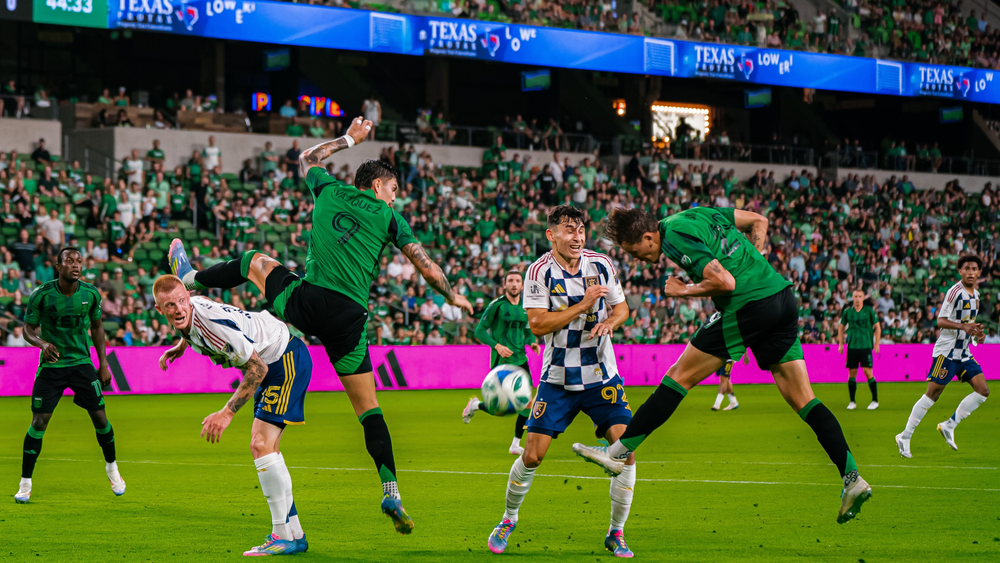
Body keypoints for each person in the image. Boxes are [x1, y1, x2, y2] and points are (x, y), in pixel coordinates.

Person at [167, 116, 472, 535]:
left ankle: (191, 280)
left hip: (306, 304)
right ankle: (391, 490)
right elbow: (427, 267)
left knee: (253, 262)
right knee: (369, 410)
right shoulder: (390, 219)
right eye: (394, 189)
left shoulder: (328, 188)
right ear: (378, 185)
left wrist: (350, 138)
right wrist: (452, 296)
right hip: (348, 320)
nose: (396, 196)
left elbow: (307, 156)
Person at [575, 206, 872, 525]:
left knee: (678, 377)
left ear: (649, 237)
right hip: (781, 297)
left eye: (635, 251)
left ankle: (617, 453)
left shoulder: (673, 236)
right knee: (804, 399)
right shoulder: (698, 214)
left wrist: (683, 290)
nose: (638, 259)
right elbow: (759, 221)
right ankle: (852, 478)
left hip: (747, 306)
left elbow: (725, 282)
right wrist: (750, 262)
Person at [486, 205, 635, 558]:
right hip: (557, 378)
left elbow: (622, 308)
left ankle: (616, 532)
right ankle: (508, 519)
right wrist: (583, 305)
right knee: (532, 456)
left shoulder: (601, 264)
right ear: (551, 235)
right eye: (569, 230)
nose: (577, 237)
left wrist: (611, 322)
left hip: (601, 376)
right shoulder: (538, 272)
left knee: (626, 452)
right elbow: (538, 324)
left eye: (581, 230)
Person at [154, 276, 312, 556]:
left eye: (181, 301)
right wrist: (181, 346)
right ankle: (294, 535)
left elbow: (258, 369)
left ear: (188, 299)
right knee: (268, 449)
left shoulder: (213, 328)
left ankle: (281, 536)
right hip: (278, 357)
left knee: (260, 445)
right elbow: (191, 318)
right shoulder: (191, 307)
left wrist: (226, 413)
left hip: (282, 360)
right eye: (170, 305)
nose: (178, 309)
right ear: (159, 309)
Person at [15, 247, 125, 503]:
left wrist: (103, 364)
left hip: (81, 365)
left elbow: (97, 328)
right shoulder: (42, 294)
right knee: (38, 423)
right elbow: (28, 329)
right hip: (52, 366)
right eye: (69, 261)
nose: (75, 265)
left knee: (101, 419)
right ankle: (25, 483)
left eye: (79, 261)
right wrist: (42, 343)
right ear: (58, 266)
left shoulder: (90, 293)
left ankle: (112, 468)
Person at [895, 255, 989, 458]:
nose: (971, 272)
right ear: (960, 271)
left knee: (982, 391)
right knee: (933, 394)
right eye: (967, 268)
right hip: (946, 352)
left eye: (974, 269)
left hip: (964, 352)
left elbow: (968, 324)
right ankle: (905, 436)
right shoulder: (955, 292)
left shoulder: (976, 296)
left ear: (979, 272)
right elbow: (940, 321)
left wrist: (977, 335)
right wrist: (963, 326)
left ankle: (949, 425)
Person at [463, 270, 541, 455]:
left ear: (522, 285)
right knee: (500, 407)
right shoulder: (496, 305)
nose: (514, 284)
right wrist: (497, 346)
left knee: (527, 402)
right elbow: (479, 331)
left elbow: (527, 330)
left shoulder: (525, 306)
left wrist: (532, 342)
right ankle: (475, 405)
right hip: (502, 361)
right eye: (510, 281)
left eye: (517, 281)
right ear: (505, 284)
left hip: (521, 359)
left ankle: (515, 444)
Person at [838, 289, 881, 410]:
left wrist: (877, 343)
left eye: (859, 296)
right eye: (855, 296)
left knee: (868, 372)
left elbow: (877, 327)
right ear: (852, 298)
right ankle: (852, 401)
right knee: (852, 373)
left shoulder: (869, 311)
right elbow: (841, 327)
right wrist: (840, 344)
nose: (857, 299)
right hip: (852, 347)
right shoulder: (847, 312)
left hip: (866, 346)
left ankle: (875, 400)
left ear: (863, 298)